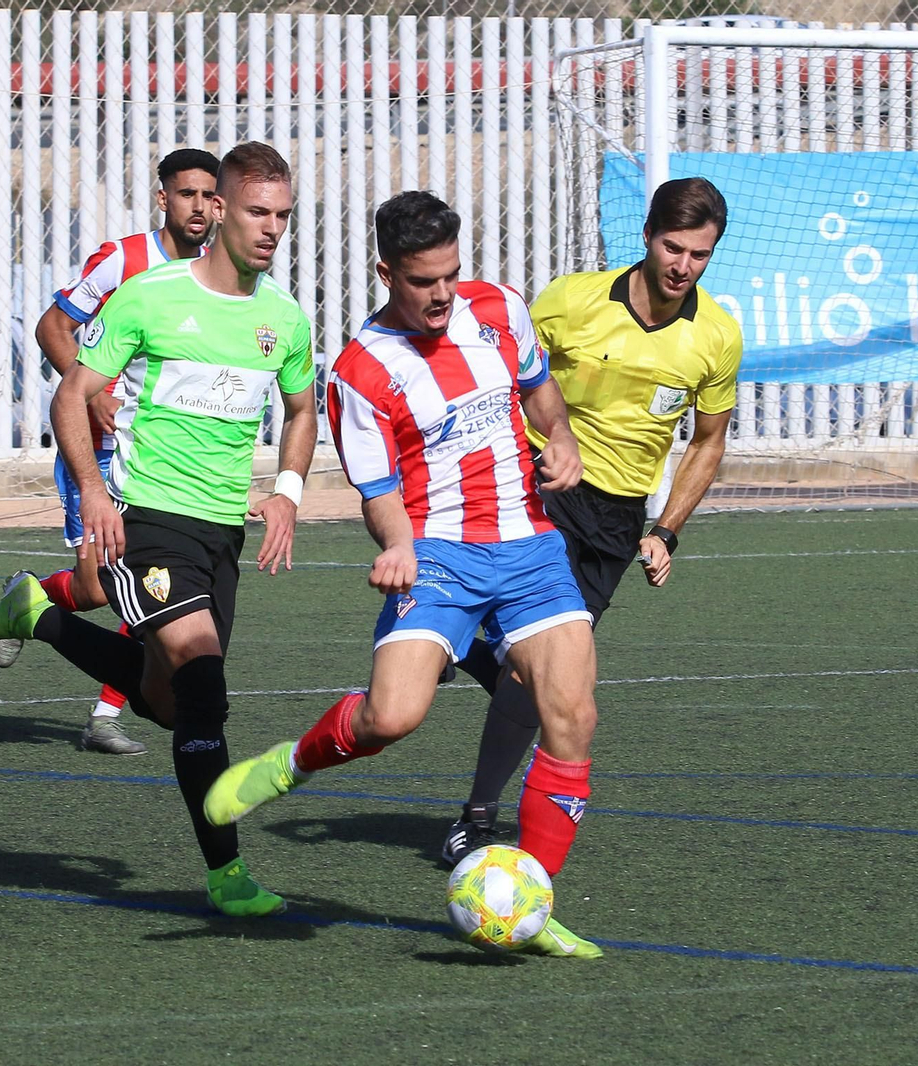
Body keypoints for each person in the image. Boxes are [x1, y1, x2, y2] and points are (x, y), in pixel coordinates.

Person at [201, 190, 605, 958]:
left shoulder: (499, 310)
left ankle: (534, 897)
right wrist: (397, 546)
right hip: (439, 555)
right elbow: (380, 490)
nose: (444, 294)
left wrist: (562, 439)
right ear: (387, 272)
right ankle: (290, 763)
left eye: (452, 275)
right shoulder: (360, 371)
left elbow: (542, 397)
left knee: (572, 716)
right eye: (425, 281)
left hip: (529, 547)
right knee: (392, 718)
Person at [0, 142, 317, 916]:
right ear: (220, 210)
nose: (271, 229)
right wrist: (93, 491)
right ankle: (227, 874)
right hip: (145, 517)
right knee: (201, 679)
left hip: (221, 530)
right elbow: (72, 395)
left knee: (165, 704)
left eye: (283, 216)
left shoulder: (284, 317)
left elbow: (301, 408)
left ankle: (38, 614)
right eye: (258, 212)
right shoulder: (149, 295)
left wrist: (287, 491)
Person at [440, 176, 743, 864]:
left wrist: (667, 529)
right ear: (646, 236)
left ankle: (455, 642)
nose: (683, 266)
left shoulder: (717, 335)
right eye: (673, 247)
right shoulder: (572, 301)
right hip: (538, 481)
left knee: (541, 678)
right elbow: (492, 360)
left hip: (615, 520)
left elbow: (709, 439)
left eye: (700, 255)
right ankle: (479, 820)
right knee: (536, 674)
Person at [0, 147, 221, 758]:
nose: (198, 207)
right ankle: (48, 626)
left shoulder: (219, 274)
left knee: (125, 585)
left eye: (208, 196)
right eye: (186, 194)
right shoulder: (125, 259)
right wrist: (93, 397)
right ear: (163, 198)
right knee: (118, 585)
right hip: (105, 447)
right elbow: (51, 328)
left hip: (162, 455)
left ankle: (46, 626)